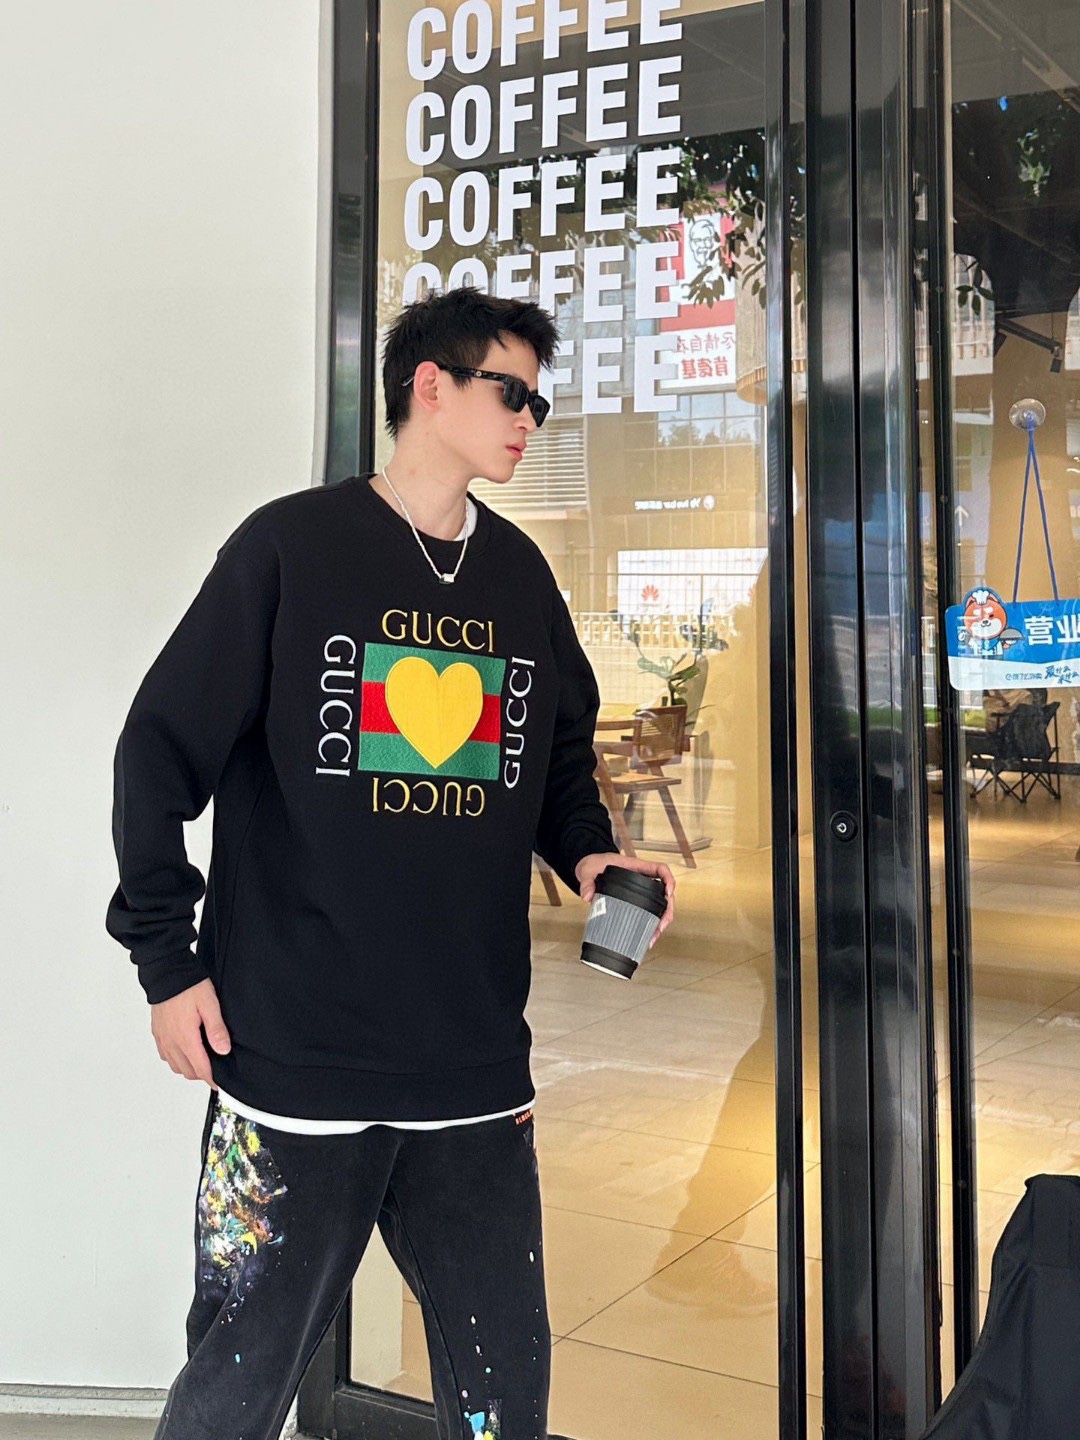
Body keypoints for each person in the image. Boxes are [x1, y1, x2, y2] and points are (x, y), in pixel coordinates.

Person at [105, 286, 676, 1440]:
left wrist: (590, 854)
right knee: (235, 1387)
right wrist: (167, 964)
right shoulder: (290, 548)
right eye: (511, 393)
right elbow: (157, 752)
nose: (530, 420)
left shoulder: (519, 578)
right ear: (430, 387)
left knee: (503, 1396)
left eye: (540, 401)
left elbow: (557, 756)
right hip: (293, 1061)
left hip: (471, 1068)